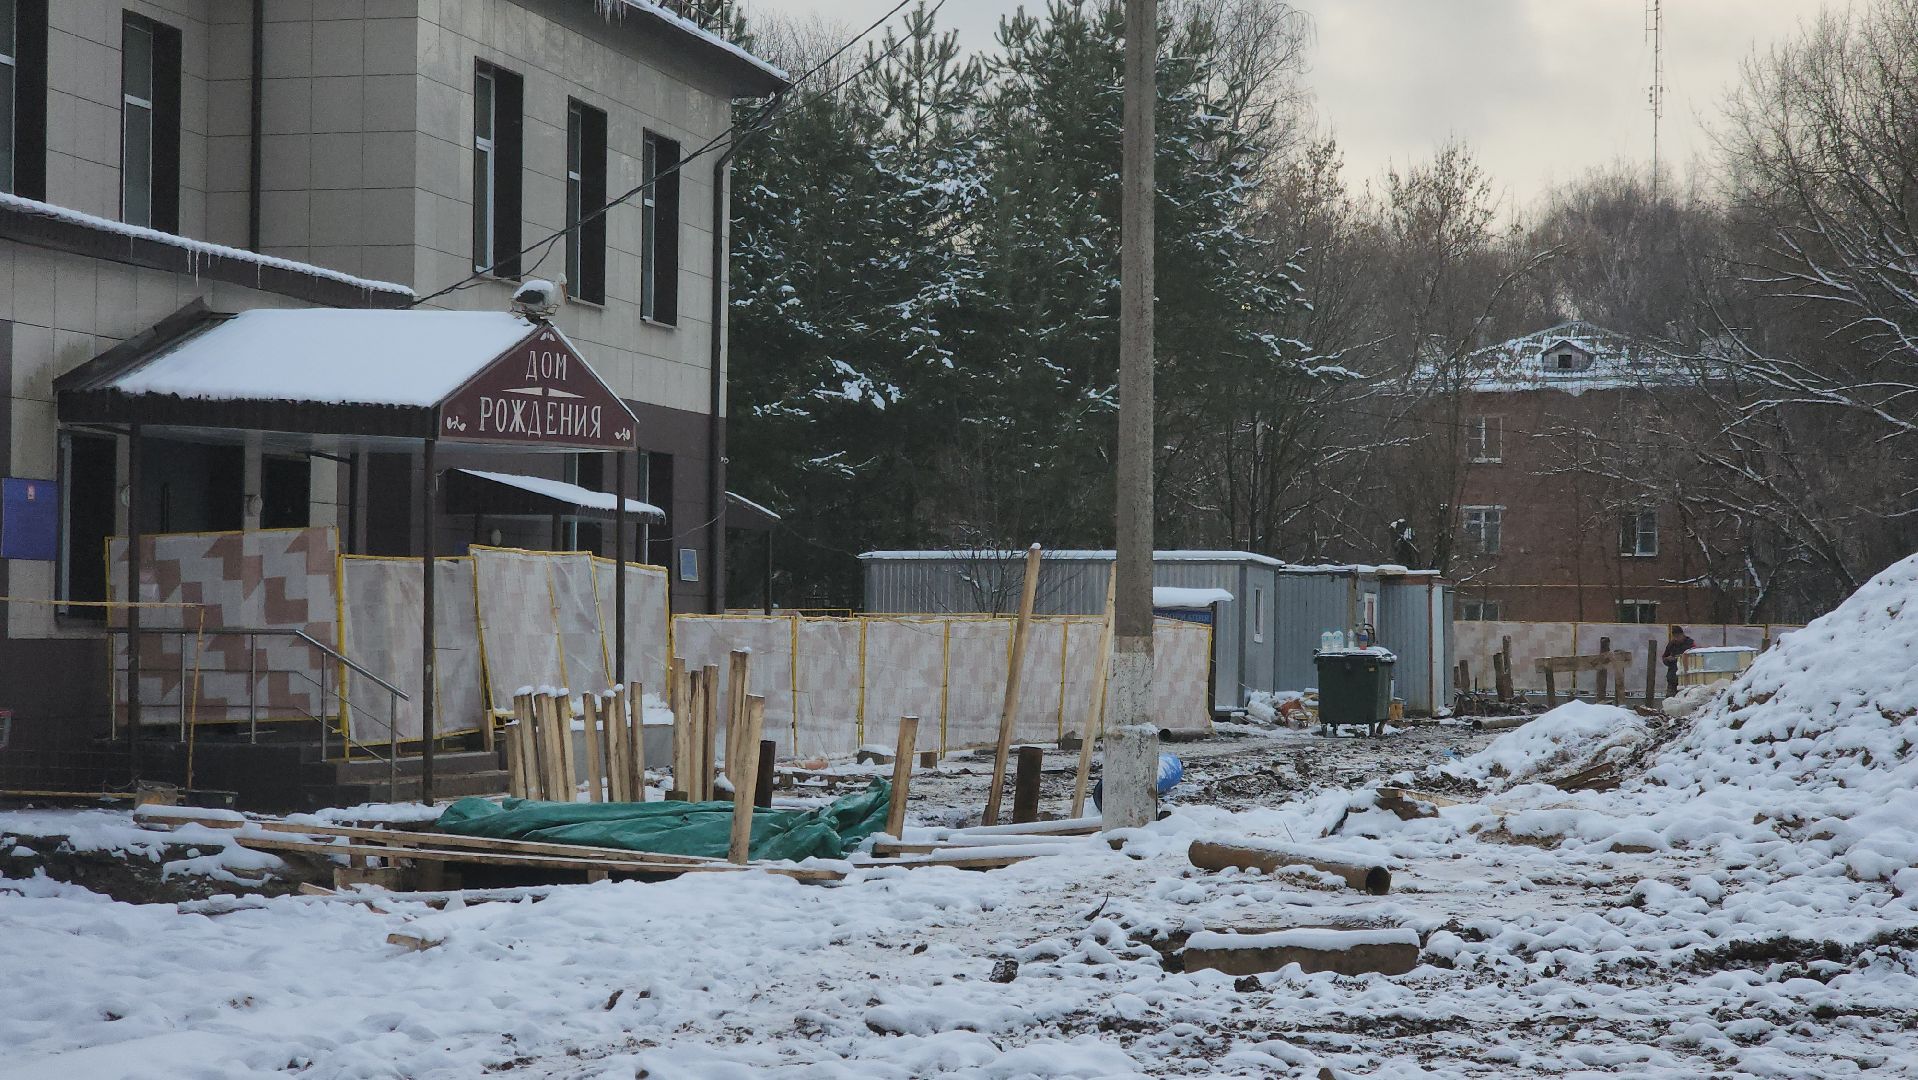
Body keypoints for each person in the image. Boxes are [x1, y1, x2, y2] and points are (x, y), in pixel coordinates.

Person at [1662, 624, 1696, 697]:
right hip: (1673, 678)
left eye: (1678, 636)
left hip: (1687, 678)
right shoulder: (1671, 644)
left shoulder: (1690, 643)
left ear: (1682, 634)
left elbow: (1695, 657)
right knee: (1670, 699)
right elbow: (1664, 657)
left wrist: (1681, 658)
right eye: (1674, 636)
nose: (1676, 639)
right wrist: (1667, 659)